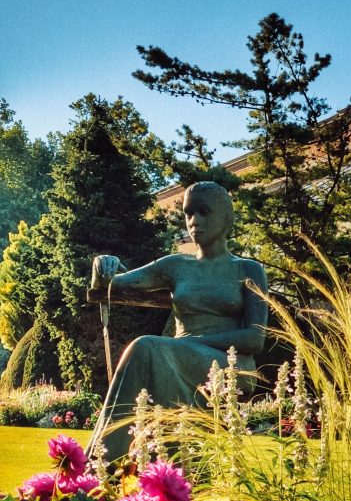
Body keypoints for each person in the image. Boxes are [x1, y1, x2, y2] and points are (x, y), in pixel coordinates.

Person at [87, 181, 268, 461]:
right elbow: (116, 283)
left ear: (226, 219)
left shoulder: (248, 269)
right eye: (188, 213)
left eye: (204, 212)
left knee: (147, 347)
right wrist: (102, 266)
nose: (194, 221)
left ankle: (101, 463)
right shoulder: (176, 266)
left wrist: (195, 342)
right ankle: (154, 468)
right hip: (178, 357)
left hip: (231, 363)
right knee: (150, 352)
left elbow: (255, 339)